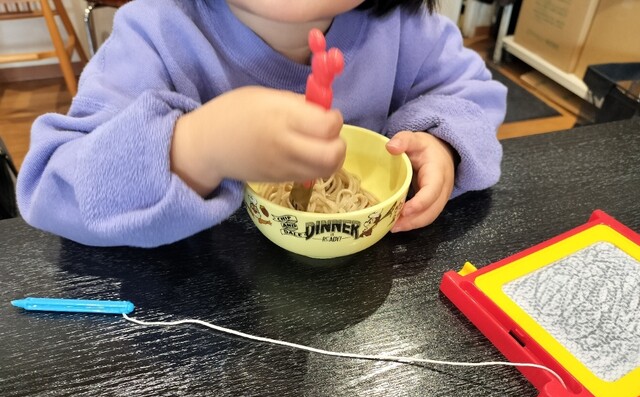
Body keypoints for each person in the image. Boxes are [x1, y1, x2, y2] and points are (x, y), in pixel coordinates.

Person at [16, 0, 507, 247]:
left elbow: (468, 94)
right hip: (207, 329)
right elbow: (53, 186)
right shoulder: (156, 33)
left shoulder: (406, 27)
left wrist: (441, 142)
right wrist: (193, 149)